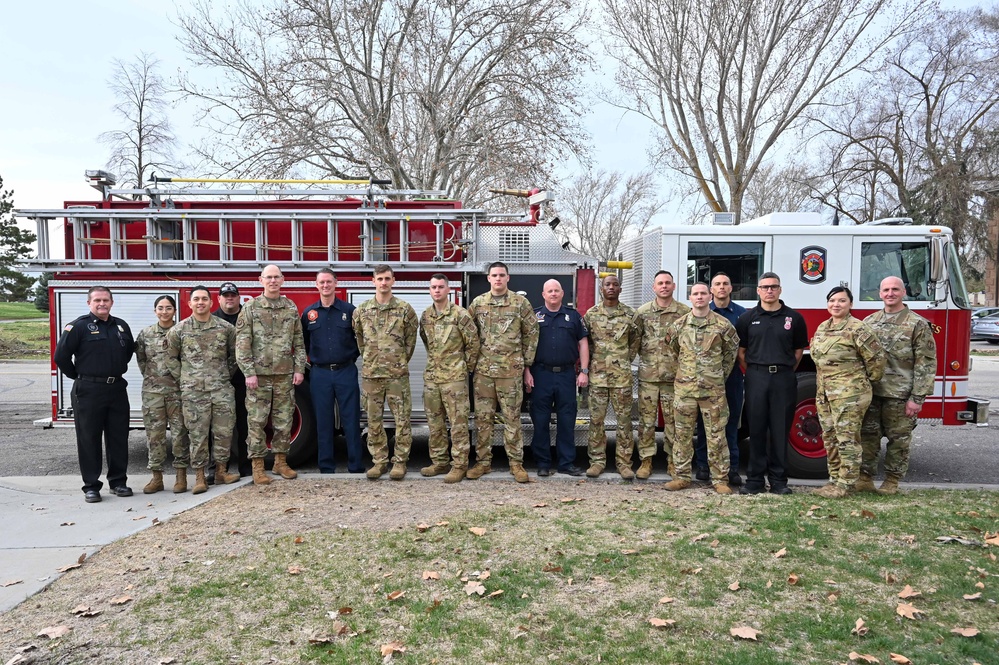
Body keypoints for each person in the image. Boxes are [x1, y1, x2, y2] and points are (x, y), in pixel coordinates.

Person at [54, 285, 135, 503]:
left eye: (105, 300)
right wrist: (81, 377)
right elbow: (61, 357)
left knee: (118, 437)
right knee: (89, 438)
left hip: (117, 389)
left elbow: (126, 355)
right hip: (88, 391)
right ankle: (91, 486)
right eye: (97, 300)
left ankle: (118, 482)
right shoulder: (78, 327)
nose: (102, 304)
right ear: (89, 303)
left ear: (112, 302)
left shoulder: (121, 326)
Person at [858, 276, 936, 494]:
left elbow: (926, 364)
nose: (890, 293)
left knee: (898, 440)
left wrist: (917, 398)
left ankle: (892, 481)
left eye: (895, 289)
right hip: (872, 393)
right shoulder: (869, 322)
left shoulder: (917, 324)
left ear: (904, 292)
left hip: (900, 395)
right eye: (886, 290)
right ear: (880, 293)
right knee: (868, 436)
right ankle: (865, 477)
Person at [735, 273, 808, 495]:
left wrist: (782, 371)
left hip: (783, 378)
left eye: (773, 287)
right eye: (765, 287)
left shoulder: (794, 319)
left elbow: (798, 351)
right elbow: (741, 352)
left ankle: (779, 481)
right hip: (756, 376)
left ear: (780, 290)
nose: (769, 291)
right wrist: (756, 372)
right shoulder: (747, 319)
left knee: (779, 430)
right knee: (756, 429)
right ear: (758, 290)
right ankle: (755, 480)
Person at [466, 261, 539, 483]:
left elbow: (532, 334)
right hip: (484, 374)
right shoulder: (478, 304)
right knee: (483, 419)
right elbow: (468, 335)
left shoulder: (520, 303)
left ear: (508, 278)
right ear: (488, 278)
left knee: (512, 419)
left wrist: (526, 365)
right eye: (494, 275)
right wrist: (472, 364)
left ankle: (516, 464)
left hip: (511, 372)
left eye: (501, 275)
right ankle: (483, 463)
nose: (498, 279)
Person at [811, 286, 886, 499]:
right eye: (832, 300)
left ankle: (846, 484)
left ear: (850, 304)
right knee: (830, 437)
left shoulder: (858, 329)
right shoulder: (823, 327)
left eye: (842, 301)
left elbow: (877, 361)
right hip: (825, 394)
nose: (836, 304)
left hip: (850, 395)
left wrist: (860, 384)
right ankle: (834, 479)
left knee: (847, 439)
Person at [235, 264, 307, 486]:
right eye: (269, 277)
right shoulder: (251, 308)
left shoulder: (290, 306)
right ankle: (257, 466)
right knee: (256, 421)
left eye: (276, 277)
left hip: (284, 374)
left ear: (283, 280)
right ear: (261, 280)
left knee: (283, 420)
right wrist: (248, 372)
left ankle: (280, 462)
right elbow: (242, 342)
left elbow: (298, 340)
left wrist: (299, 368)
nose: (273, 281)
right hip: (260, 375)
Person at [665, 283, 740, 494]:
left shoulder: (723, 325)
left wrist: (716, 376)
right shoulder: (679, 326)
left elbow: (730, 354)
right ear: (690, 298)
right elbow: (673, 352)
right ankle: (681, 476)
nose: (699, 297)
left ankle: (720, 479)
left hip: (713, 391)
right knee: (682, 434)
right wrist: (685, 374)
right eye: (695, 294)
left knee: (716, 435)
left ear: (710, 296)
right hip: (685, 390)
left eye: (703, 293)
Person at [167, 286, 242, 494]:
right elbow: (170, 358)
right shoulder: (179, 330)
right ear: (189, 304)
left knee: (224, 433)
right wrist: (185, 377)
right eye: (196, 299)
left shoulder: (225, 328)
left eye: (204, 299)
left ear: (211, 303)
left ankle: (221, 472)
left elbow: (236, 354)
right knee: (198, 435)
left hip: (221, 390)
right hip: (194, 393)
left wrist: (224, 373)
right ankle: (200, 476)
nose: (200, 302)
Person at [353, 265, 418, 480]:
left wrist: (398, 362)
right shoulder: (361, 311)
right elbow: (360, 340)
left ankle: (400, 462)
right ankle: (379, 461)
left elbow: (410, 341)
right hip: (372, 375)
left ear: (393, 281)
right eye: (379, 279)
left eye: (387, 278)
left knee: (402, 420)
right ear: (373, 281)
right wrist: (373, 360)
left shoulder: (404, 309)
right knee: (374, 420)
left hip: (397, 375)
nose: (383, 282)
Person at [301, 269, 364, 474]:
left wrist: (351, 358)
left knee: (351, 420)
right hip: (320, 373)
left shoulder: (350, 310)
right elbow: (304, 342)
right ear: (316, 285)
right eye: (322, 282)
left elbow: (360, 339)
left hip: (345, 370)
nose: (326, 286)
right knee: (323, 420)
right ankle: (326, 466)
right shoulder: (309, 314)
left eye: (329, 282)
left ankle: (356, 465)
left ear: (336, 283)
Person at [418, 274, 480, 483]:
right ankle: (439, 461)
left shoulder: (460, 315)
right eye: (433, 287)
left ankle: (459, 465)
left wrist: (463, 367)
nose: (437, 290)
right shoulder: (426, 316)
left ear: (448, 289)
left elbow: (473, 344)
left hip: (454, 378)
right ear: (430, 290)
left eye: (441, 287)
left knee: (458, 423)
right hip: (433, 377)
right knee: (434, 423)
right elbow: (427, 342)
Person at [525, 279, 588, 477]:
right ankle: (543, 463)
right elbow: (525, 345)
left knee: (567, 420)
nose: (553, 293)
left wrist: (584, 371)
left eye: (556, 290)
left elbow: (583, 343)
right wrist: (526, 371)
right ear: (543, 294)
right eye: (549, 291)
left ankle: (566, 463)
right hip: (540, 375)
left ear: (562, 294)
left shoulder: (573, 316)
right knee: (541, 421)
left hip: (567, 375)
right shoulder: (534, 316)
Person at [633, 270, 690, 478]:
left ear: (674, 286)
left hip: (674, 378)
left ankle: (673, 462)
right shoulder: (642, 312)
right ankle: (645, 461)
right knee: (646, 422)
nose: (664, 286)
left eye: (668, 283)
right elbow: (634, 342)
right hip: (648, 377)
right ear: (654, 288)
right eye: (660, 283)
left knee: (673, 422)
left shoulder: (685, 312)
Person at [582, 274, 640, 478]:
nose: (611, 287)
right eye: (607, 284)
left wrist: (623, 360)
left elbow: (634, 342)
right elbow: (585, 343)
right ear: (601, 288)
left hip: (621, 378)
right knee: (596, 421)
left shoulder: (630, 315)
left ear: (620, 289)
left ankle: (624, 464)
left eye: (615, 285)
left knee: (624, 422)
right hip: (597, 377)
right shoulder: (591, 314)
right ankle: (597, 462)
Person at [694, 272, 746, 485]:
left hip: (732, 378)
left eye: (725, 283)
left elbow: (742, 348)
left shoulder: (742, 315)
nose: (722, 287)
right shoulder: (700, 314)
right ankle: (703, 465)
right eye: (717, 284)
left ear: (731, 288)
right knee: (704, 424)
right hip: (705, 381)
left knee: (730, 423)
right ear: (711, 291)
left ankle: (732, 467)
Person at [134, 295, 190, 494]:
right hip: (153, 393)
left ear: (175, 311)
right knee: (155, 436)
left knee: (180, 435)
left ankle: (181, 477)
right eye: (160, 308)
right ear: (155, 311)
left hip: (178, 392)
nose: (164, 311)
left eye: (168, 308)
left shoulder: (183, 331)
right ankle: (156, 478)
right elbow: (142, 359)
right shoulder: (146, 333)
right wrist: (152, 380)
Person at [212, 282, 251, 477]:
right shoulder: (211, 320)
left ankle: (247, 467)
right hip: (220, 382)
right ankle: (218, 469)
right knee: (219, 427)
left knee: (246, 424)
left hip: (244, 379)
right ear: (219, 299)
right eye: (225, 295)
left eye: (233, 295)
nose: (229, 298)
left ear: (238, 298)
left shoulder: (248, 317)